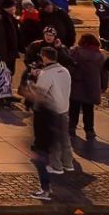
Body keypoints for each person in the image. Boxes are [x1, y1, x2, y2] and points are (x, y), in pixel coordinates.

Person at [31, 45, 72, 195]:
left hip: (53, 110)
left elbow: (40, 93)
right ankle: (68, 163)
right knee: (65, 138)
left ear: (45, 57)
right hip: (65, 107)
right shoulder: (65, 71)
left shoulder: (46, 74)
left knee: (54, 140)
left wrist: (33, 81)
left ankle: (56, 166)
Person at [63, 32, 105, 142]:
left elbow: (68, 66)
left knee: (74, 108)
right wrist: (103, 86)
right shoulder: (99, 56)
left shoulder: (74, 52)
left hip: (76, 84)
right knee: (88, 109)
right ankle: (89, 130)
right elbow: (104, 73)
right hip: (91, 86)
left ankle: (72, 127)